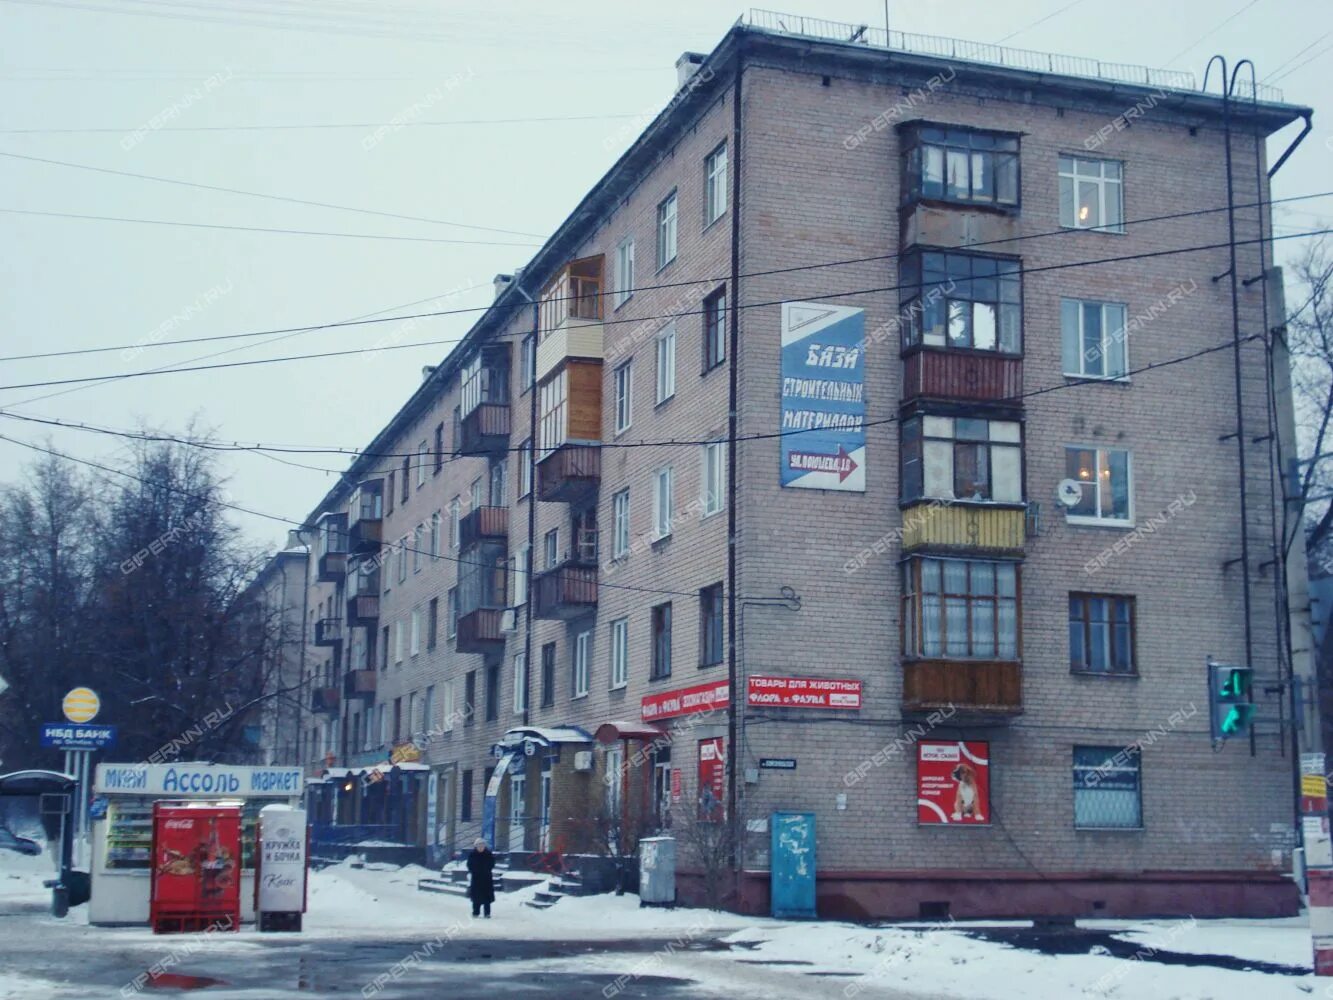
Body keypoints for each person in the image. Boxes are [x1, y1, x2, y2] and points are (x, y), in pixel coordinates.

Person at [466, 838, 496, 918]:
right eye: (479, 845)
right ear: (476, 846)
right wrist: (474, 871)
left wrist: (486, 869)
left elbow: (492, 864)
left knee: (487, 897)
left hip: (486, 878)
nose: (481, 847)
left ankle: (487, 913)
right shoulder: (472, 854)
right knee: (476, 897)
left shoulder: (488, 854)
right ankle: (476, 912)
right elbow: (469, 865)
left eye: (482, 845)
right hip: (476, 878)